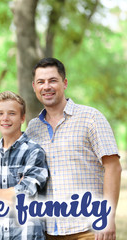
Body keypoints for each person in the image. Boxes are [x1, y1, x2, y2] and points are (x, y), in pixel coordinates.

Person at [25, 57, 122, 240]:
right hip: (47, 231)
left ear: (65, 83)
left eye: (53, 80)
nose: (47, 86)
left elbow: (113, 167)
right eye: (41, 82)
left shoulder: (91, 118)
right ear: (34, 86)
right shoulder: (32, 128)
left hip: (87, 229)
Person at [0, 91, 49, 240]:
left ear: (22, 118)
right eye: (0, 113)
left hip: (27, 234)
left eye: (12, 113)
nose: (5, 118)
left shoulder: (34, 152)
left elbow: (25, 193)